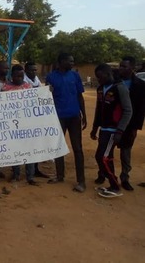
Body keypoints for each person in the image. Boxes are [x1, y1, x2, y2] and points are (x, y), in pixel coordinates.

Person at [46, 53, 87, 192]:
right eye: (70, 61)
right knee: (58, 147)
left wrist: (84, 115)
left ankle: (81, 181)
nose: (72, 63)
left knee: (77, 148)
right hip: (58, 117)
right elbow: (47, 97)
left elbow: (80, 96)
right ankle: (59, 175)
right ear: (61, 62)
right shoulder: (51, 77)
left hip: (74, 116)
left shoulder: (75, 76)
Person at [90, 64, 132, 198]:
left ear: (108, 74)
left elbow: (128, 110)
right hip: (104, 129)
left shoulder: (120, 88)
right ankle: (112, 183)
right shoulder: (100, 89)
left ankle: (115, 186)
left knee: (102, 157)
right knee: (105, 157)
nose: (98, 80)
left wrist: (120, 130)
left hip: (114, 130)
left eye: (100, 77)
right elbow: (98, 109)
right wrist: (95, 128)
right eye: (97, 78)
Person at [106, 56, 145, 191]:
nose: (121, 68)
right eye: (120, 66)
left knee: (126, 151)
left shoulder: (140, 85)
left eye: (124, 66)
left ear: (132, 68)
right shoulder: (113, 82)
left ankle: (125, 178)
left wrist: (135, 127)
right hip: (112, 122)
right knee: (106, 150)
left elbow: (141, 109)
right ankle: (103, 174)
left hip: (130, 123)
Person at [1, 64, 37, 185]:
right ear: (12, 76)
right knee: (14, 149)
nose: (20, 78)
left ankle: (30, 176)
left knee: (29, 149)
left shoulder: (28, 87)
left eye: (22, 76)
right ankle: (16, 173)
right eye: (17, 76)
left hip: (26, 123)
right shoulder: (5, 88)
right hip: (12, 124)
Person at [24, 62, 49, 179]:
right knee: (28, 145)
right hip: (26, 117)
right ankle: (28, 171)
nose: (33, 72)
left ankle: (35, 169)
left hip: (36, 116)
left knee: (36, 144)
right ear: (26, 71)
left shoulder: (36, 80)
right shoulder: (23, 81)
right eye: (31, 70)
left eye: (35, 70)